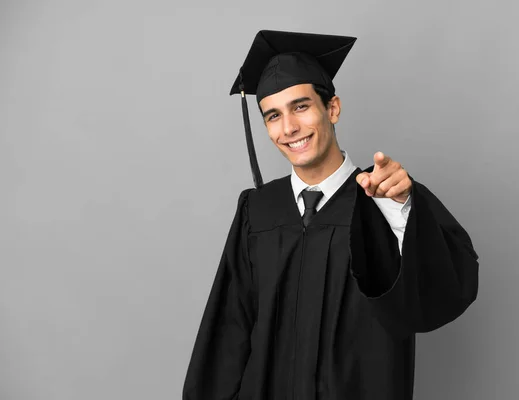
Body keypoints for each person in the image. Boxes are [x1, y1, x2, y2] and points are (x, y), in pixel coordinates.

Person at [183, 30, 479, 400]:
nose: (288, 127)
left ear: (333, 108)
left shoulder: (387, 197)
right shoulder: (256, 211)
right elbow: (228, 331)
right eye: (273, 115)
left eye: (301, 106)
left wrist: (403, 208)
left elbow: (441, 294)